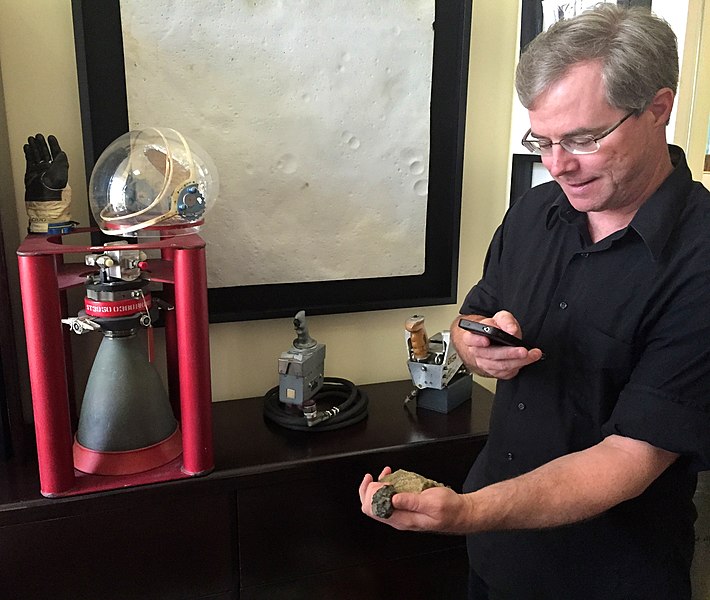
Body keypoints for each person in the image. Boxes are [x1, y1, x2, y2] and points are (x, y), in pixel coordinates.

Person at [358, 5, 710, 599]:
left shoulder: (699, 259)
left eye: (582, 139)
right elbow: (475, 314)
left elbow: (629, 457)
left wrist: (467, 512)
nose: (556, 164)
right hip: (498, 553)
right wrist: (473, 345)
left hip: (610, 572)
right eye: (541, 141)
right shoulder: (535, 212)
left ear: (658, 108)